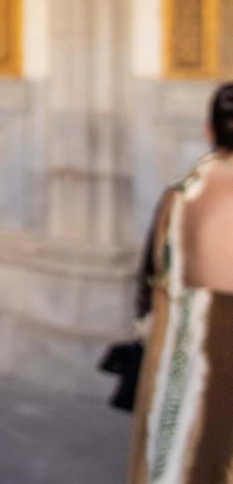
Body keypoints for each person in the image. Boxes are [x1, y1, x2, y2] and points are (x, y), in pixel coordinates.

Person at [128, 82, 233, 482]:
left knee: (183, 454)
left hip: (189, 356)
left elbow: (151, 277)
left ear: (210, 130)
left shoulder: (185, 191)